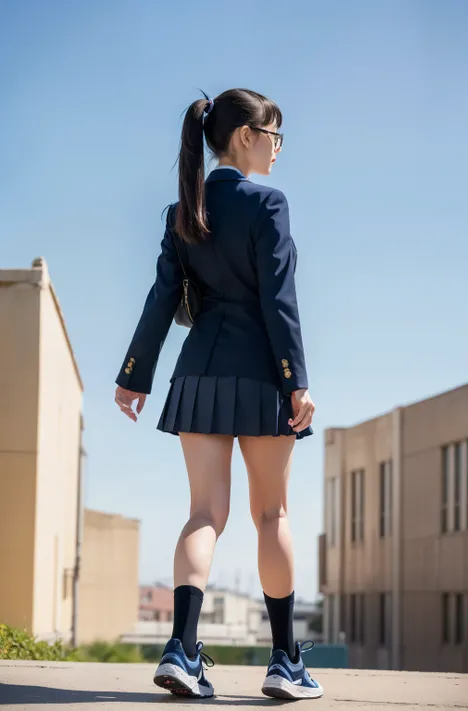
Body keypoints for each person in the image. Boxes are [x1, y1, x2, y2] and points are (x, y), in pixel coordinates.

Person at [114, 88, 323, 701]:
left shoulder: (187, 207)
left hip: (199, 372)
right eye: (274, 135)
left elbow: (161, 301)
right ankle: (285, 662)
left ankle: (181, 648)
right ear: (244, 137)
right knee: (272, 515)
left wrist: (134, 376)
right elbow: (278, 301)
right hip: (262, 374)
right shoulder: (269, 203)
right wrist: (298, 382)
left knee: (204, 513)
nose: (278, 149)